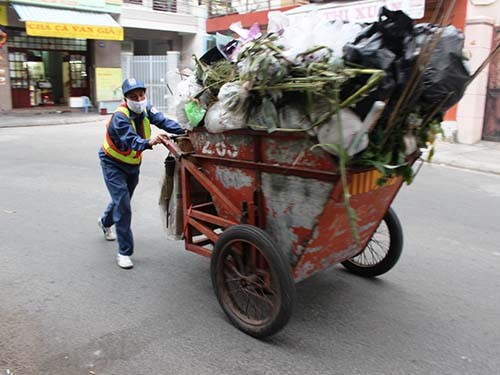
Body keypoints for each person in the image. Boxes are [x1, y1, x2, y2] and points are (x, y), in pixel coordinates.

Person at [98, 78, 185, 269]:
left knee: (122, 199)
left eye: (141, 95)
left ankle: (105, 221)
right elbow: (132, 140)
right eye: (133, 96)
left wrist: (187, 131)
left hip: (132, 165)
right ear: (126, 99)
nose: (139, 99)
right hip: (112, 163)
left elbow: (163, 121)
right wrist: (149, 142)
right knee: (123, 204)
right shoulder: (120, 117)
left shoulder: (146, 109)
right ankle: (124, 252)